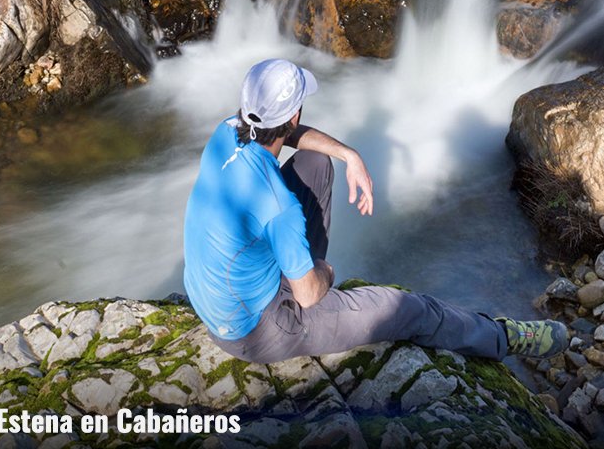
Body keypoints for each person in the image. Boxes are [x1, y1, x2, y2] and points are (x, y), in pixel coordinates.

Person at [183, 58, 567, 364]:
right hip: (259, 330)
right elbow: (308, 294)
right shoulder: (279, 206)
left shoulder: (228, 131)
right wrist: (324, 274)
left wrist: (350, 155)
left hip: (220, 299)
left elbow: (290, 135)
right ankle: (500, 337)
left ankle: (298, 264)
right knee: (408, 310)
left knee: (316, 162)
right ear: (294, 114)